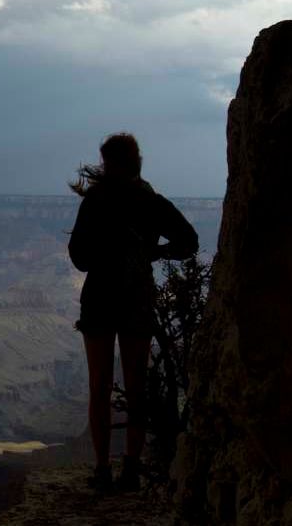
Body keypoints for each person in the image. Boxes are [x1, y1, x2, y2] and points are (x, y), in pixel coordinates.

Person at [67, 132, 198, 493]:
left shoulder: (95, 200)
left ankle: (101, 469)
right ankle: (131, 469)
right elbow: (189, 242)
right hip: (137, 298)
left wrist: (104, 254)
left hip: (99, 299)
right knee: (137, 388)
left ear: (108, 162)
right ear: (135, 160)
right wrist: (153, 254)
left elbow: (78, 257)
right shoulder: (149, 200)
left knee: (99, 388)